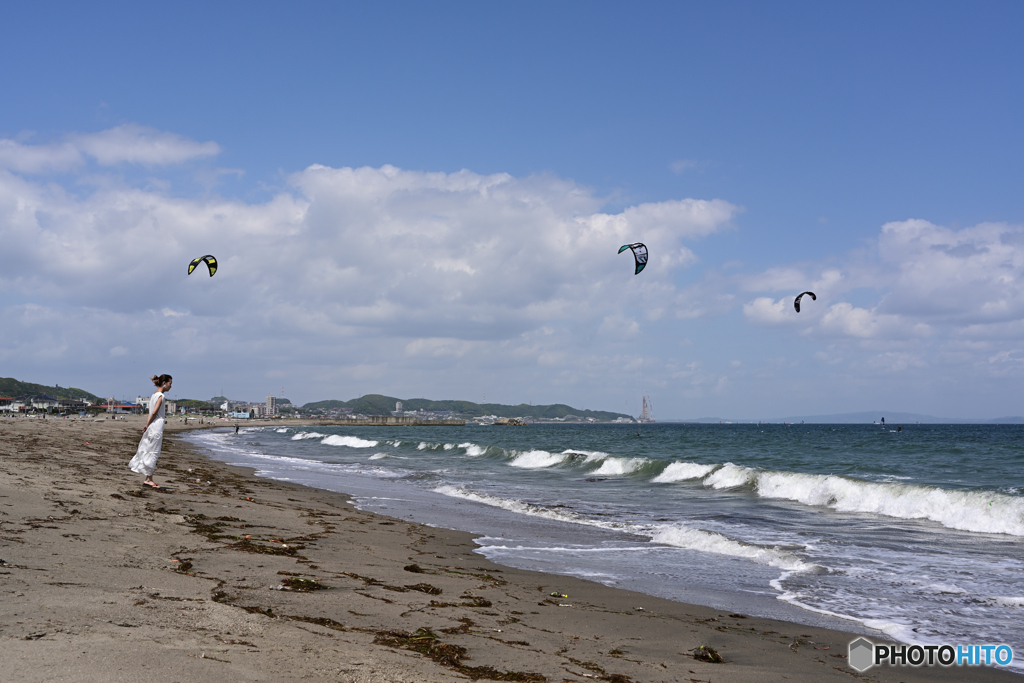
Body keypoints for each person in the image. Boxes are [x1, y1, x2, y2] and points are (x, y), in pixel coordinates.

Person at [129, 374, 172, 488]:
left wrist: (147, 425)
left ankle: (148, 478)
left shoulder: (153, 395)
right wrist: (147, 424)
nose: (170, 386)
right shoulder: (161, 396)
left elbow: (151, 413)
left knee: (149, 449)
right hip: (156, 425)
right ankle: (149, 479)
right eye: (170, 383)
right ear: (164, 383)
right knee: (154, 451)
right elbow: (154, 413)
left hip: (152, 425)